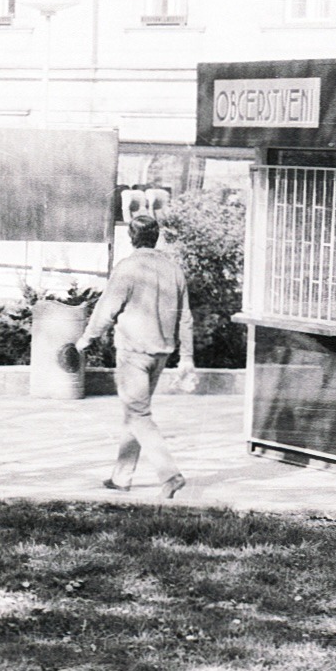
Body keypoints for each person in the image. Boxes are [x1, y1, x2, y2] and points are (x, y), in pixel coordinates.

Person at [75, 214, 195, 499]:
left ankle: (170, 474)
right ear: (156, 237)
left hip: (133, 354)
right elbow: (186, 318)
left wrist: (85, 340)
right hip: (162, 353)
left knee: (138, 414)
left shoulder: (127, 268)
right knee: (135, 412)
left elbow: (106, 310)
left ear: (131, 237)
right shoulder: (173, 270)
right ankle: (121, 477)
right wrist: (187, 357)